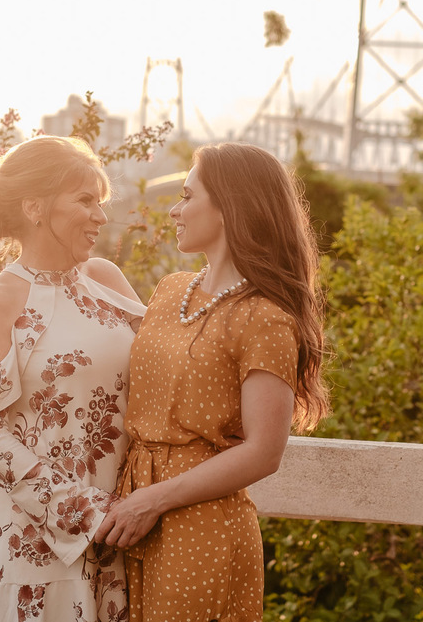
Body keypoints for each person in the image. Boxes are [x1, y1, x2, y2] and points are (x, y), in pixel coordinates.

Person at [95, 141, 331, 622]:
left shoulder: (265, 318)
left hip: (198, 525)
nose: (174, 210)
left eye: (187, 196)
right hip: (130, 511)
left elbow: (264, 452)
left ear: (228, 207)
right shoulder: (169, 291)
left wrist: (153, 500)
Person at [0, 135, 146, 622]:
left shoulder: (105, 278)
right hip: (35, 542)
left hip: (125, 529)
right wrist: (84, 512)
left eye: (100, 203)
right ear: (34, 207)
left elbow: (164, 369)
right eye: (85, 201)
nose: (100, 217)